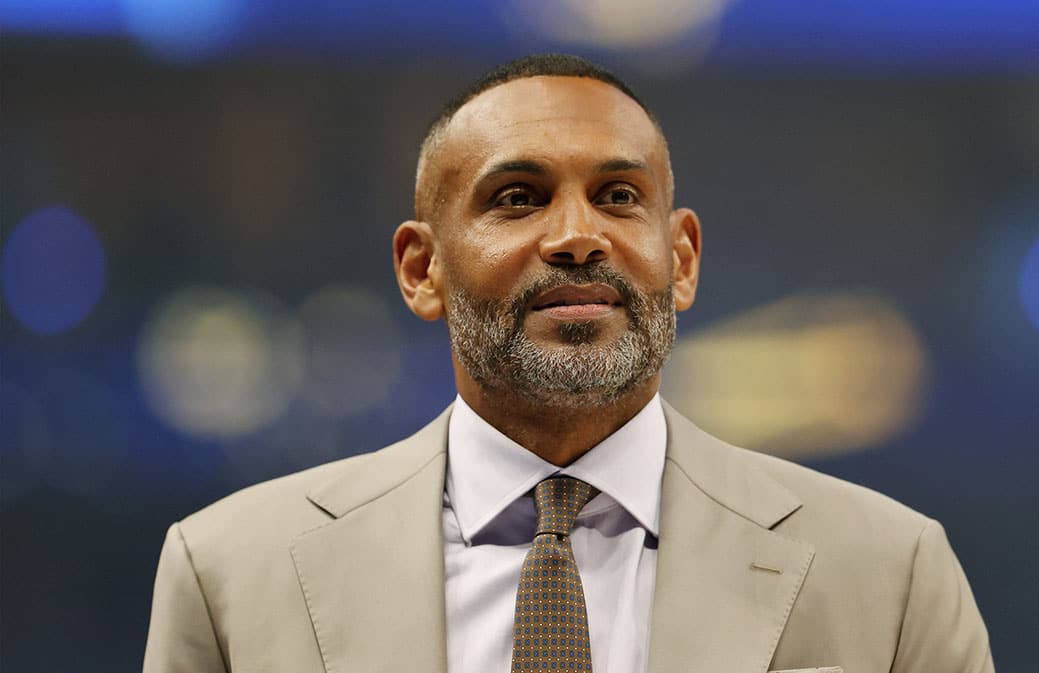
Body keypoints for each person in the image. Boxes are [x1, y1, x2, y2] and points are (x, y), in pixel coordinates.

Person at [143, 53, 994, 673]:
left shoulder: (891, 572)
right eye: (518, 197)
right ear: (420, 269)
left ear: (683, 258)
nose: (578, 235)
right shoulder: (228, 572)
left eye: (619, 196)